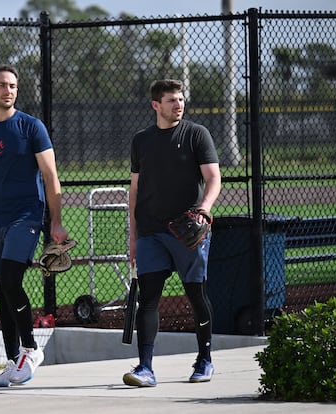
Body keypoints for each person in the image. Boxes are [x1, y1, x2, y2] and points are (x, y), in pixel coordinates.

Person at [0, 64, 69, 387]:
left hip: (26, 217)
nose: (9, 90)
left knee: (10, 279)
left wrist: (56, 223)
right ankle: (12, 361)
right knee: (2, 291)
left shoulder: (32, 127)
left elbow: (50, 176)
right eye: (3, 85)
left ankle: (30, 349)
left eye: (14, 86)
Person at [123, 79, 222, 387]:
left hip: (186, 230)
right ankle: (145, 368)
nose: (178, 104)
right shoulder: (142, 140)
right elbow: (135, 189)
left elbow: (213, 177)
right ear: (156, 105)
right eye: (171, 100)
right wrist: (133, 236)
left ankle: (205, 359)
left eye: (180, 99)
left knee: (195, 294)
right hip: (151, 232)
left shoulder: (196, 134)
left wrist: (204, 208)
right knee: (149, 299)